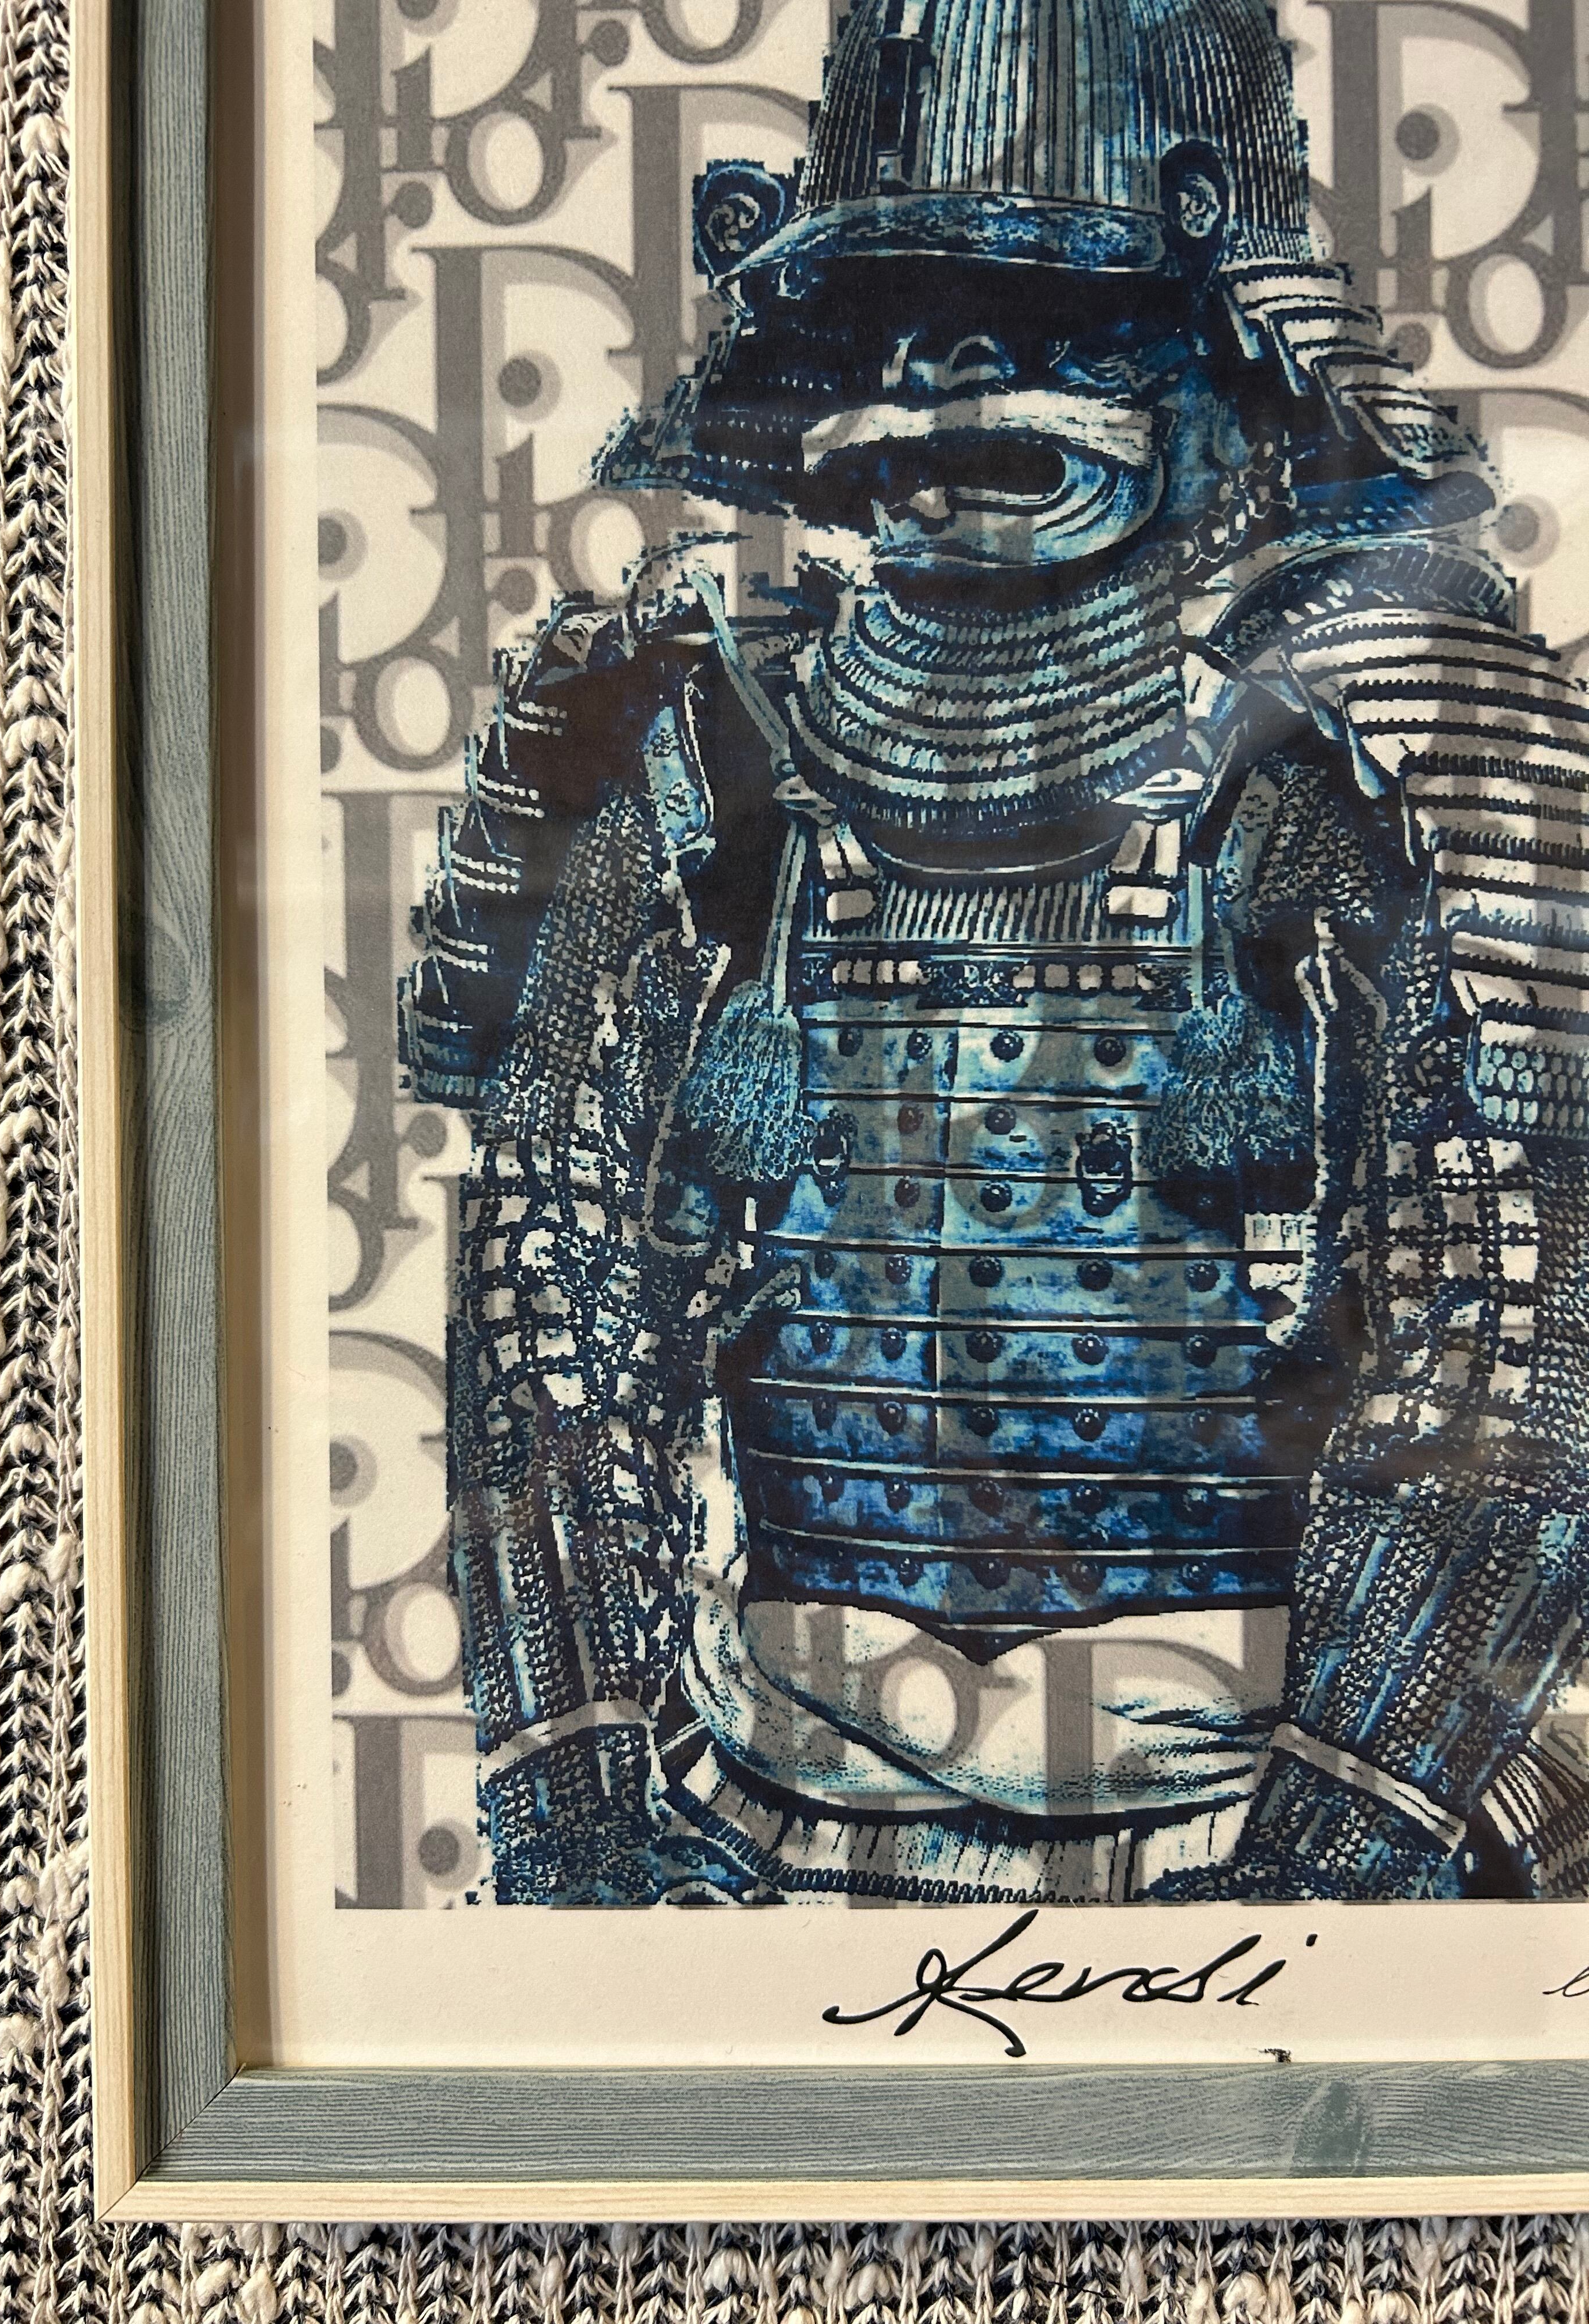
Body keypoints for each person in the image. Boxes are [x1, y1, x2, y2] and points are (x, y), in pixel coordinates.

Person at [401, 0, 1589, 1905]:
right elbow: (555, 1301)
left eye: (1047, 336)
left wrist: (1342, 1847)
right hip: (759, 1807)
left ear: (1215, 367)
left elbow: (1508, 1349)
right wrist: (578, 1816)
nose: (953, 395)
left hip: (1248, 1812)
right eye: (895, 333)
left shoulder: (1344, 792)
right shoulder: (701, 778)